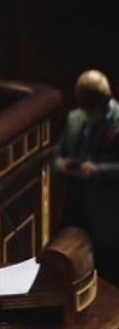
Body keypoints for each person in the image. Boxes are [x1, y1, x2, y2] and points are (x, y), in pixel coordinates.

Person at [55, 69, 119, 283]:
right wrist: (62, 165)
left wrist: (98, 171)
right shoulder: (74, 118)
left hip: (108, 212)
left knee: (108, 273)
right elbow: (57, 155)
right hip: (75, 205)